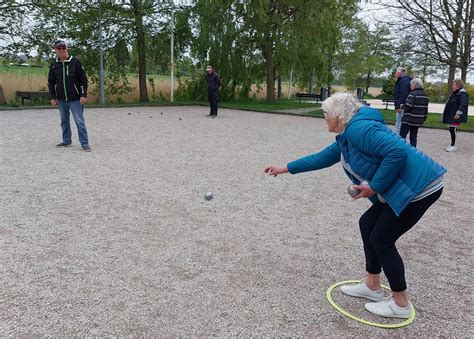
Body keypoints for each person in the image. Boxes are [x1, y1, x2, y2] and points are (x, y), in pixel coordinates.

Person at [264, 93, 446, 319]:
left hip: (420, 188)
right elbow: (321, 158)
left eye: (326, 114)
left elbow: (396, 152)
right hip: (409, 186)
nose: (324, 118)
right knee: (367, 224)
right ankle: (372, 286)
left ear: (339, 116)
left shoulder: (359, 129)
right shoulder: (348, 136)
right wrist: (285, 168)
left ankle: (400, 304)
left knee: (381, 238)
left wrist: (375, 186)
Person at [48, 39, 91, 152]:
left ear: (66, 48)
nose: (62, 50)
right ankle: (66, 140)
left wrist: (83, 94)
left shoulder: (75, 62)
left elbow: (83, 80)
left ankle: (84, 143)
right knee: (64, 121)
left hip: (75, 99)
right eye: (59, 48)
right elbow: (51, 82)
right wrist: (52, 97)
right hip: (61, 99)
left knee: (79, 122)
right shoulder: (54, 64)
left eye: (63, 47)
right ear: (55, 50)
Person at [399, 78, 429, 148]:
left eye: (411, 85)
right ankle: (413, 151)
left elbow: (408, 106)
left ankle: (400, 149)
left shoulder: (412, 94)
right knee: (413, 136)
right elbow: (425, 109)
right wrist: (424, 118)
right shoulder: (425, 95)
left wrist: (402, 106)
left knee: (402, 135)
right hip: (418, 119)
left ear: (415, 85)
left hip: (409, 119)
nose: (410, 86)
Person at [442, 79, 469, 152]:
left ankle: (453, 146)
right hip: (451, 114)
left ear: (458, 85)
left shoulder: (463, 94)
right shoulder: (456, 93)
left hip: (456, 115)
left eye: (453, 84)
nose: (452, 86)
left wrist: (458, 113)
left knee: (453, 129)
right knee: (452, 129)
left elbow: (463, 104)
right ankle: (452, 145)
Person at [393, 68, 412, 133]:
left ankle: (397, 139)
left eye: (396, 73)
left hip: (401, 106)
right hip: (401, 105)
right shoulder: (403, 80)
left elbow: (403, 94)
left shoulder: (404, 81)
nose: (395, 74)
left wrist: (399, 106)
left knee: (399, 124)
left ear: (399, 73)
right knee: (399, 123)